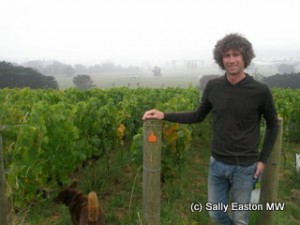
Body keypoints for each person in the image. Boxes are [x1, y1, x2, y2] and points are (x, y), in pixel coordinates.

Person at [142, 33, 279, 225]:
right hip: (217, 164)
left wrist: (263, 159)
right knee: (215, 214)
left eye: (236, 55)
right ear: (221, 59)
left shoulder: (260, 91)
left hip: (245, 167)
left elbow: (273, 124)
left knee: (241, 219)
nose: (231, 60)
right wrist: (164, 115)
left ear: (245, 57)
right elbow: (198, 116)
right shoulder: (213, 86)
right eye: (226, 56)